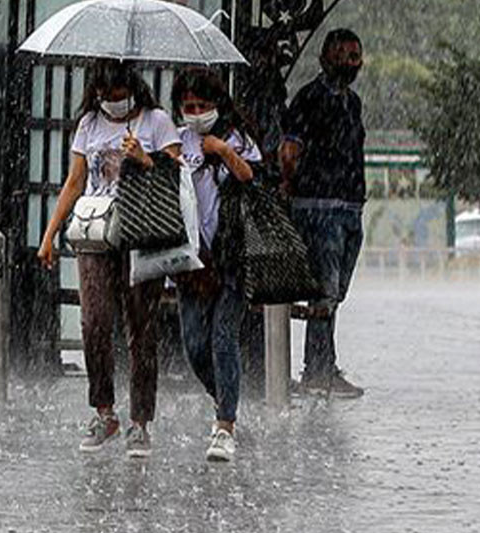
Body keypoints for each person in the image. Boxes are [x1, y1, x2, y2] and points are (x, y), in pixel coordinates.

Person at [37, 61, 181, 458]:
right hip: (97, 234)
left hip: (141, 233)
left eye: (119, 95)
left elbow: (176, 175)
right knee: (94, 321)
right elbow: (75, 180)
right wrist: (50, 233)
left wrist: (144, 158)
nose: (113, 103)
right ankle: (104, 411)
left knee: (141, 327)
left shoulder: (156, 122)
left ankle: (140, 420)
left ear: (132, 88)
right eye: (106, 96)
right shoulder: (88, 124)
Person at [170, 67, 260, 461]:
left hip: (232, 254)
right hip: (193, 258)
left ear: (216, 104)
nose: (194, 112)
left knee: (223, 337)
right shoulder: (176, 139)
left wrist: (222, 150)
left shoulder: (236, 137)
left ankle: (226, 424)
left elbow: (251, 176)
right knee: (194, 344)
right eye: (188, 106)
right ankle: (225, 398)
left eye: (202, 105)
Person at [280, 29, 367, 398]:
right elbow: (289, 150)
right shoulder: (309, 99)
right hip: (318, 207)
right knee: (324, 291)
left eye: (355, 55)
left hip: (349, 207)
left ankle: (322, 363)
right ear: (325, 58)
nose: (351, 62)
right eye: (343, 54)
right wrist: (291, 186)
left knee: (335, 292)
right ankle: (318, 368)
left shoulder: (353, 102)